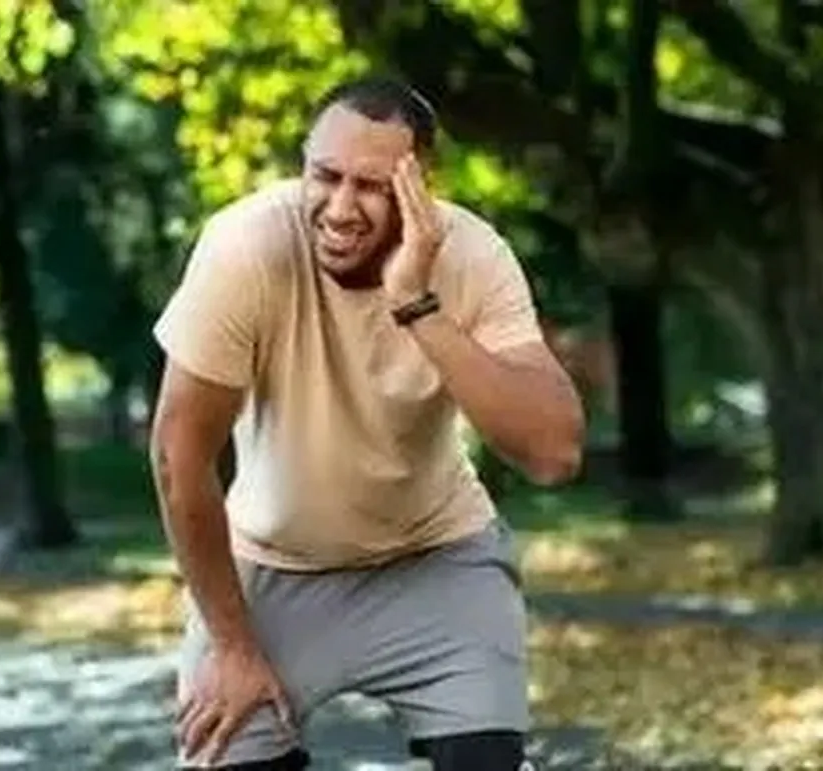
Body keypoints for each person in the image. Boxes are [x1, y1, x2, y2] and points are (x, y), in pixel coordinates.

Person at [148, 75, 585, 770]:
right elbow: (179, 456)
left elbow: (554, 453)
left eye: (372, 187)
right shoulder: (245, 247)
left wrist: (416, 303)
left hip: (437, 561)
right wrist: (231, 645)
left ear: (420, 188)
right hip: (269, 574)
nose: (341, 208)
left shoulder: (473, 256)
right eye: (325, 176)